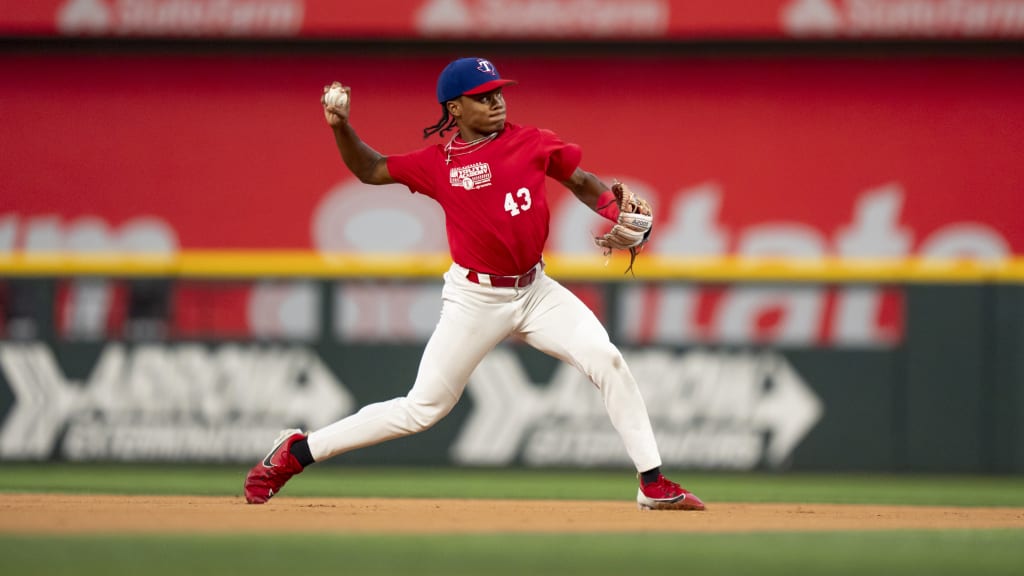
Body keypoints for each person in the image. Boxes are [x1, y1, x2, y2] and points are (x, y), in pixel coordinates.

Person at [243, 57, 705, 511]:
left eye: (498, 93)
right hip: (475, 298)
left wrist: (611, 209)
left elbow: (580, 179)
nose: (496, 102)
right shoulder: (436, 163)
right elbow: (370, 168)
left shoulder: (532, 142)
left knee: (608, 360)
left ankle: (652, 482)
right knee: (423, 409)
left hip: (536, 290)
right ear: (455, 109)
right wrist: (340, 126)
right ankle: (295, 453)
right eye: (482, 97)